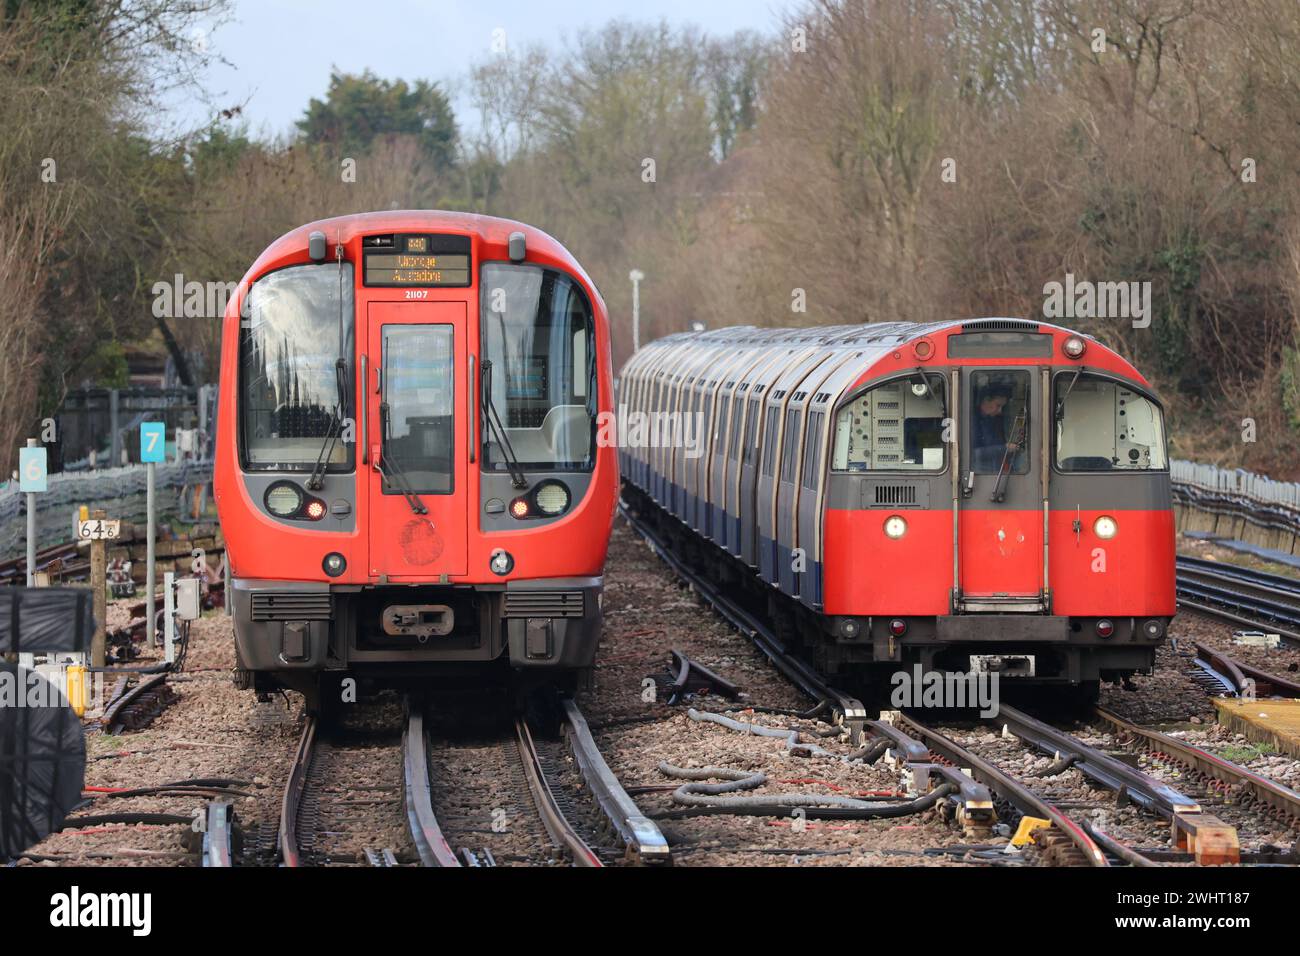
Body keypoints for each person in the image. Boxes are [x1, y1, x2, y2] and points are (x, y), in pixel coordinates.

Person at [972, 384, 1020, 472]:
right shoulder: (972, 421)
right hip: (980, 474)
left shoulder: (995, 420)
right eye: (998, 405)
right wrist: (1004, 448)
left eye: (1002, 407)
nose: (1000, 411)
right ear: (986, 401)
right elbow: (975, 453)